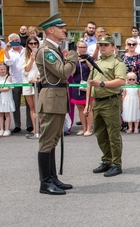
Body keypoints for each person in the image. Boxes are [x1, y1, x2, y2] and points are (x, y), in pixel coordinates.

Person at [35, 12, 78, 195]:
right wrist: (73, 57)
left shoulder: (55, 49)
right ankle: (45, 182)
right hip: (52, 99)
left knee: (53, 140)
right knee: (47, 141)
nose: (64, 30)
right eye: (61, 28)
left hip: (57, 97)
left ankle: (52, 178)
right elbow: (63, 72)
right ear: (50, 30)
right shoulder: (46, 51)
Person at [84, 35, 126, 177]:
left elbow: (121, 81)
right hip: (97, 102)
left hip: (110, 101)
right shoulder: (97, 63)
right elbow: (90, 84)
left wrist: (102, 84)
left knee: (113, 134)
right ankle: (107, 160)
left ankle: (116, 163)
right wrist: (87, 104)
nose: (102, 48)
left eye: (105, 45)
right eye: (100, 45)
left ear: (113, 47)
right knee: (100, 134)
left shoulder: (117, 63)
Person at [5, 33, 33, 134]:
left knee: (29, 104)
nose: (15, 42)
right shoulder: (9, 52)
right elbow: (8, 63)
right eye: (13, 41)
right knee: (16, 104)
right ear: (10, 42)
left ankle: (30, 125)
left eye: (17, 39)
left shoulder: (26, 50)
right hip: (16, 81)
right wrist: (6, 50)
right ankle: (17, 125)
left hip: (26, 80)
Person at [71, 40, 94, 136]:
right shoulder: (74, 58)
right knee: (80, 108)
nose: (83, 49)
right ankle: (83, 128)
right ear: (77, 48)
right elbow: (72, 73)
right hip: (77, 86)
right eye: (81, 47)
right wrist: (74, 61)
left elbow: (93, 70)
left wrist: (88, 62)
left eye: (84, 47)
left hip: (87, 86)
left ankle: (89, 128)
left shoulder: (90, 58)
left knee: (88, 107)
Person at [22, 36, 40, 139]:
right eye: (31, 43)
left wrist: (38, 78)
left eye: (35, 43)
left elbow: (44, 70)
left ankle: (40, 127)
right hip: (27, 83)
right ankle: (34, 128)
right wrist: (31, 60)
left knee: (39, 107)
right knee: (32, 107)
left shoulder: (41, 54)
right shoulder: (25, 56)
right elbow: (25, 71)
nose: (33, 45)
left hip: (38, 83)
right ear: (28, 45)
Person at [0, 62, 15, 137]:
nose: (3, 70)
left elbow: (7, 88)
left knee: (7, 114)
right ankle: (1, 129)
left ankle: (7, 129)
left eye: (4, 69)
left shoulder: (9, 77)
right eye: (1, 69)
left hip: (7, 98)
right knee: (0, 114)